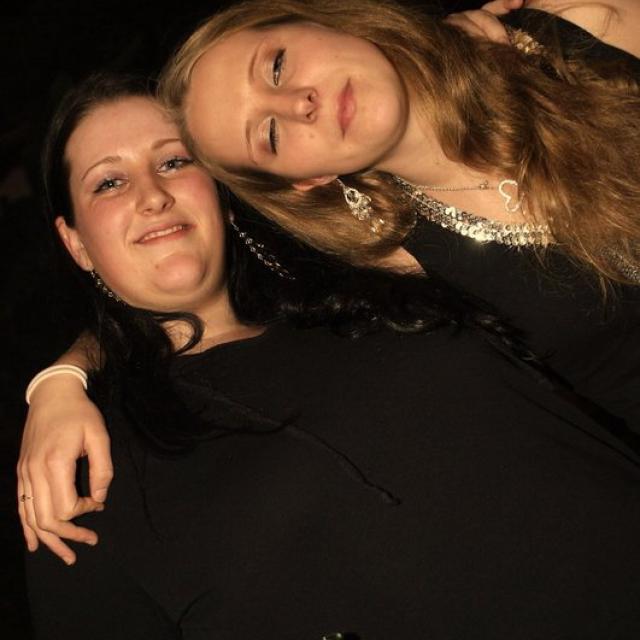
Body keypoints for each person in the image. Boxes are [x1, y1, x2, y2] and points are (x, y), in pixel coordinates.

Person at [22, 72, 640, 640]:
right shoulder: (79, 470)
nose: (152, 194)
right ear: (76, 244)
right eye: (109, 182)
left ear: (221, 190)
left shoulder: (366, 277)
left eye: (174, 161)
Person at [158, 0, 640, 429]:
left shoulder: (570, 26)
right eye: (270, 135)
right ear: (306, 180)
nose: (297, 104)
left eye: (277, 66)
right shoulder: (404, 285)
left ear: (318, 19)